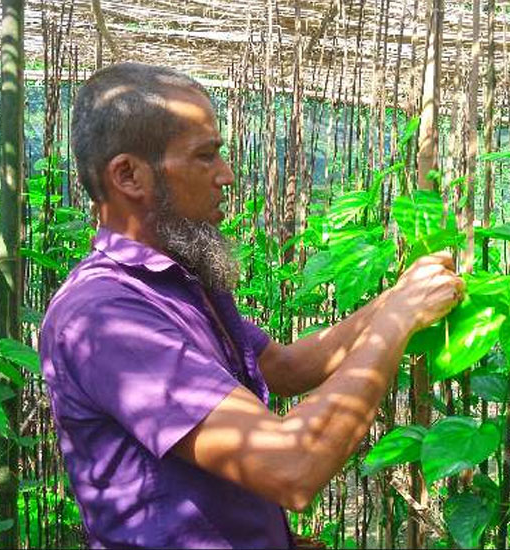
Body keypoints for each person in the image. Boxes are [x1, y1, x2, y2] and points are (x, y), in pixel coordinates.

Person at [39, 62, 465, 549]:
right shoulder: (106, 316)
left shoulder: (176, 282)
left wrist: (399, 294)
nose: (227, 176)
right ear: (129, 175)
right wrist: (397, 320)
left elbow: (282, 366)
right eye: (205, 157)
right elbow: (291, 466)